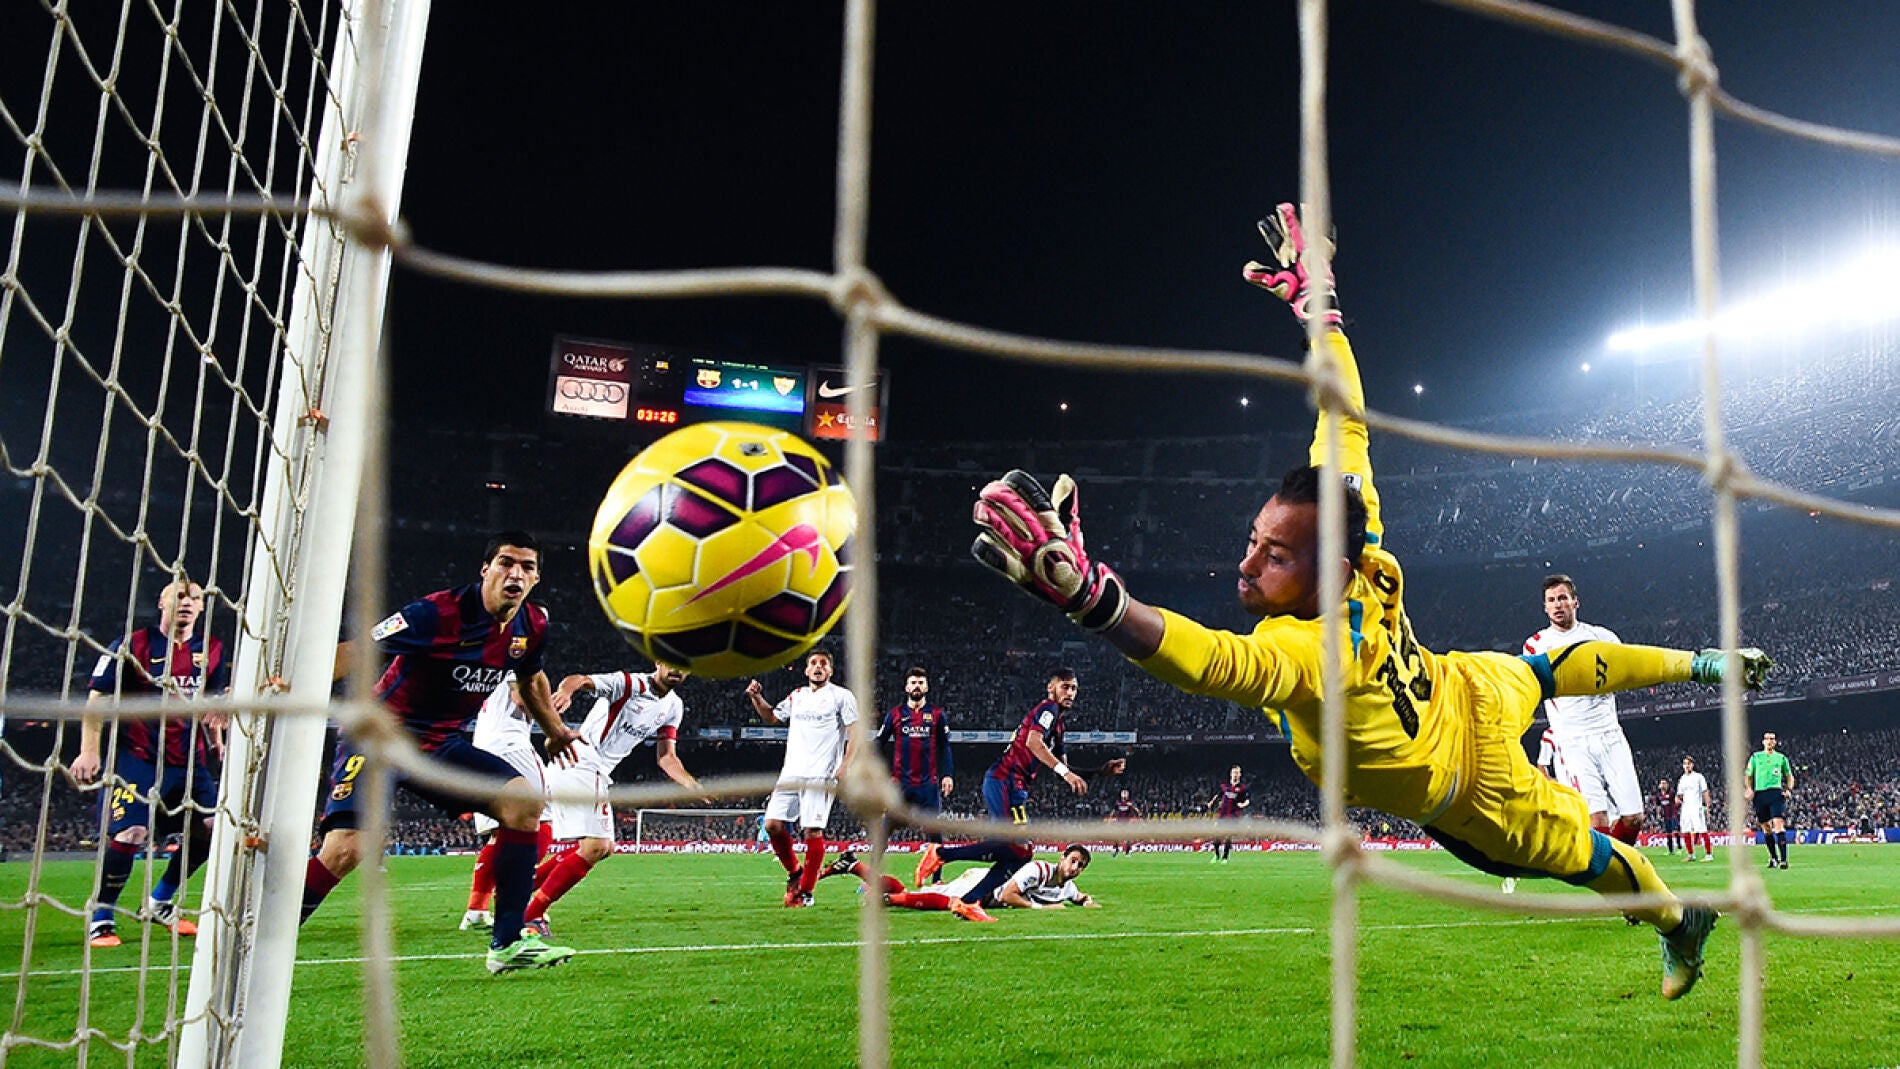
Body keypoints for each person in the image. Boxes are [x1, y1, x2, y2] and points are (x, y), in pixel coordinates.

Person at [966, 203, 1771, 1000]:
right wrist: (1319, 304)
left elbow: (1204, 658)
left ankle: (1677, 923)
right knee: (1546, 668)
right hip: (1463, 684)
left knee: (1588, 858)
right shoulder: (1360, 537)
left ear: (1325, 569)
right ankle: (1702, 664)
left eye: (1273, 556)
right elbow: (1342, 416)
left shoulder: (1307, 655)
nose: (1246, 564)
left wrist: (1089, 597)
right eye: (1255, 537)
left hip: (1472, 786)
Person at [307, 531, 583, 974]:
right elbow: (360, 652)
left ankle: (508, 944)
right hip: (381, 736)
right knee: (347, 849)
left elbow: (531, 680)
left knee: (523, 802)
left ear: (536, 578)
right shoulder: (436, 613)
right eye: (506, 563)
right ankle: (268, 934)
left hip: (441, 745)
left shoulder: (532, 625)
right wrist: (298, 688)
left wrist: (554, 730)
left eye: (527, 567)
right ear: (485, 569)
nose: (516, 573)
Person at [73, 578, 229, 948]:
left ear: (203, 608)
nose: (187, 603)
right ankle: (102, 913)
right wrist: (89, 751)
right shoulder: (131, 645)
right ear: (162, 602)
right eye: (179, 596)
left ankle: (160, 901)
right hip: (138, 758)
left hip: (188, 762)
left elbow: (209, 702)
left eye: (194, 599)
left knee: (212, 827)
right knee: (132, 834)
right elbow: (97, 700)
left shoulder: (212, 650)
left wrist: (216, 739)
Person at [912, 669, 1124, 920]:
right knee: (1007, 842)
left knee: (1021, 853)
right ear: (1051, 688)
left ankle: (968, 902)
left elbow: (1063, 768)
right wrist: (1067, 774)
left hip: (1017, 791)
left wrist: (1100, 771)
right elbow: (1033, 742)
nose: (1070, 693)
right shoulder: (1048, 710)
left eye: (1074, 689)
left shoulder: (1058, 726)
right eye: (1065, 687)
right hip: (1004, 781)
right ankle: (940, 854)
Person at [525, 661, 702, 929]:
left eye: (683, 666)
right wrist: (565, 692)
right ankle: (529, 915)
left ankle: (519, 891)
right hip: (580, 761)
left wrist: (691, 783)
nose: (676, 670)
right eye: (671, 663)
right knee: (597, 847)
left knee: (600, 848)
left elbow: (667, 757)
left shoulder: (674, 707)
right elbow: (579, 677)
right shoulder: (629, 684)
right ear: (657, 662)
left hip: (591, 771)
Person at [1523, 576, 1646, 845]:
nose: (1558, 605)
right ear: (1545, 608)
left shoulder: (1602, 637)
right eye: (1552, 600)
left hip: (1610, 735)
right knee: (1596, 820)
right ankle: (1614, 879)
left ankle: (1613, 865)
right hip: (1572, 742)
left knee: (1634, 818)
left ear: (1575, 602)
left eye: (1563, 598)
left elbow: (1626, 671)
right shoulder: (1535, 646)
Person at [746, 648, 858, 907]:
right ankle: (795, 873)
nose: (818, 667)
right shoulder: (797, 696)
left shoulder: (842, 696)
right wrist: (757, 697)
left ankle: (806, 892)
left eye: (823, 664)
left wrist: (846, 765)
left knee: (812, 830)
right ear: (807, 670)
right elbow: (772, 717)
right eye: (813, 663)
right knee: (772, 825)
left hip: (821, 773)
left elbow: (855, 732)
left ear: (830, 670)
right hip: (791, 772)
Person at [459, 673, 554, 932]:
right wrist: (552, 716)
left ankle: (476, 910)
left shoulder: (491, 658)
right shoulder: (518, 647)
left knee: (500, 833)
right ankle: (515, 906)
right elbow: (521, 696)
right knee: (541, 820)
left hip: (483, 747)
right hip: (511, 744)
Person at [825, 844, 1098, 920]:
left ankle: (856, 866)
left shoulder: (1067, 886)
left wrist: (1087, 901)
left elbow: (1078, 896)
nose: (1075, 868)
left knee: (925, 895)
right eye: (1073, 861)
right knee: (948, 903)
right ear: (1062, 858)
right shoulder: (1037, 869)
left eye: (1080, 866)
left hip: (986, 892)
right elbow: (1008, 896)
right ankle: (883, 897)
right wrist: (1042, 910)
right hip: (984, 884)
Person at [876, 666, 954, 853]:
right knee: (885, 830)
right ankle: (872, 877)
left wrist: (948, 775)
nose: (917, 686)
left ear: (926, 687)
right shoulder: (894, 714)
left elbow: (945, 746)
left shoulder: (936, 715)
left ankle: (937, 880)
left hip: (928, 784)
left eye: (920, 683)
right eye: (913, 683)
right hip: (901, 784)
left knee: (934, 832)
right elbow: (879, 742)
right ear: (907, 688)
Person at [1745, 732, 1795, 869]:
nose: (1769, 741)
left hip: (1775, 793)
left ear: (1775, 742)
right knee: (1766, 828)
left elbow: (1789, 776)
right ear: (1763, 742)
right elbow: (1748, 775)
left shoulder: (1781, 758)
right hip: (1760, 794)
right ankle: (1774, 858)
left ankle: (1784, 860)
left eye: (1772, 739)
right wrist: (1749, 788)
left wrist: (1789, 789)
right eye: (1767, 739)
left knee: (1778, 825)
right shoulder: (1756, 757)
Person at [1208, 765, 1251, 862]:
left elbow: (1248, 800)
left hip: (1233, 815)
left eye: (1237, 772)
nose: (1235, 774)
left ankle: (1225, 857)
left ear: (1240, 775)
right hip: (1222, 815)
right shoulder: (1224, 786)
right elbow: (1218, 795)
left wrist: (1242, 805)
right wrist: (1211, 802)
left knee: (1228, 836)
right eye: (1234, 772)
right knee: (1217, 836)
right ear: (1230, 774)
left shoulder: (1243, 788)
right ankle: (1217, 855)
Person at [1676, 757, 1714, 862]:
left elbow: (1705, 792)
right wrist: (1677, 800)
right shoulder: (1682, 779)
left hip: (1696, 807)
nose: (1687, 766)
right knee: (1685, 830)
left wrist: (1708, 806)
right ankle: (1691, 854)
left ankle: (1709, 854)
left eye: (1689, 763)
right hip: (1686, 808)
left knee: (1702, 829)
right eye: (1685, 764)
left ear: (1692, 765)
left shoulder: (1698, 777)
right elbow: (1679, 795)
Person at [1106, 787, 1142, 856]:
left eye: (1126, 794)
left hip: (1127, 823)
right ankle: (1116, 850)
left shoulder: (1130, 803)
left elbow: (1136, 810)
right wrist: (1110, 817)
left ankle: (1127, 852)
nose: (1124, 795)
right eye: (1123, 793)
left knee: (1128, 838)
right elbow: (1114, 810)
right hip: (1119, 822)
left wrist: (1138, 815)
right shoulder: (1118, 803)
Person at [1655, 778, 1682, 857]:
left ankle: (1679, 848)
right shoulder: (1658, 795)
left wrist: (1678, 805)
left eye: (1664, 783)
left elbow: (1678, 801)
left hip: (1673, 815)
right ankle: (1671, 850)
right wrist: (1658, 814)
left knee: (1675, 831)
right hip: (1666, 816)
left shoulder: (1671, 792)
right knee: (1668, 834)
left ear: (1667, 784)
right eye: (1662, 783)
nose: (1663, 785)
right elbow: (1658, 805)